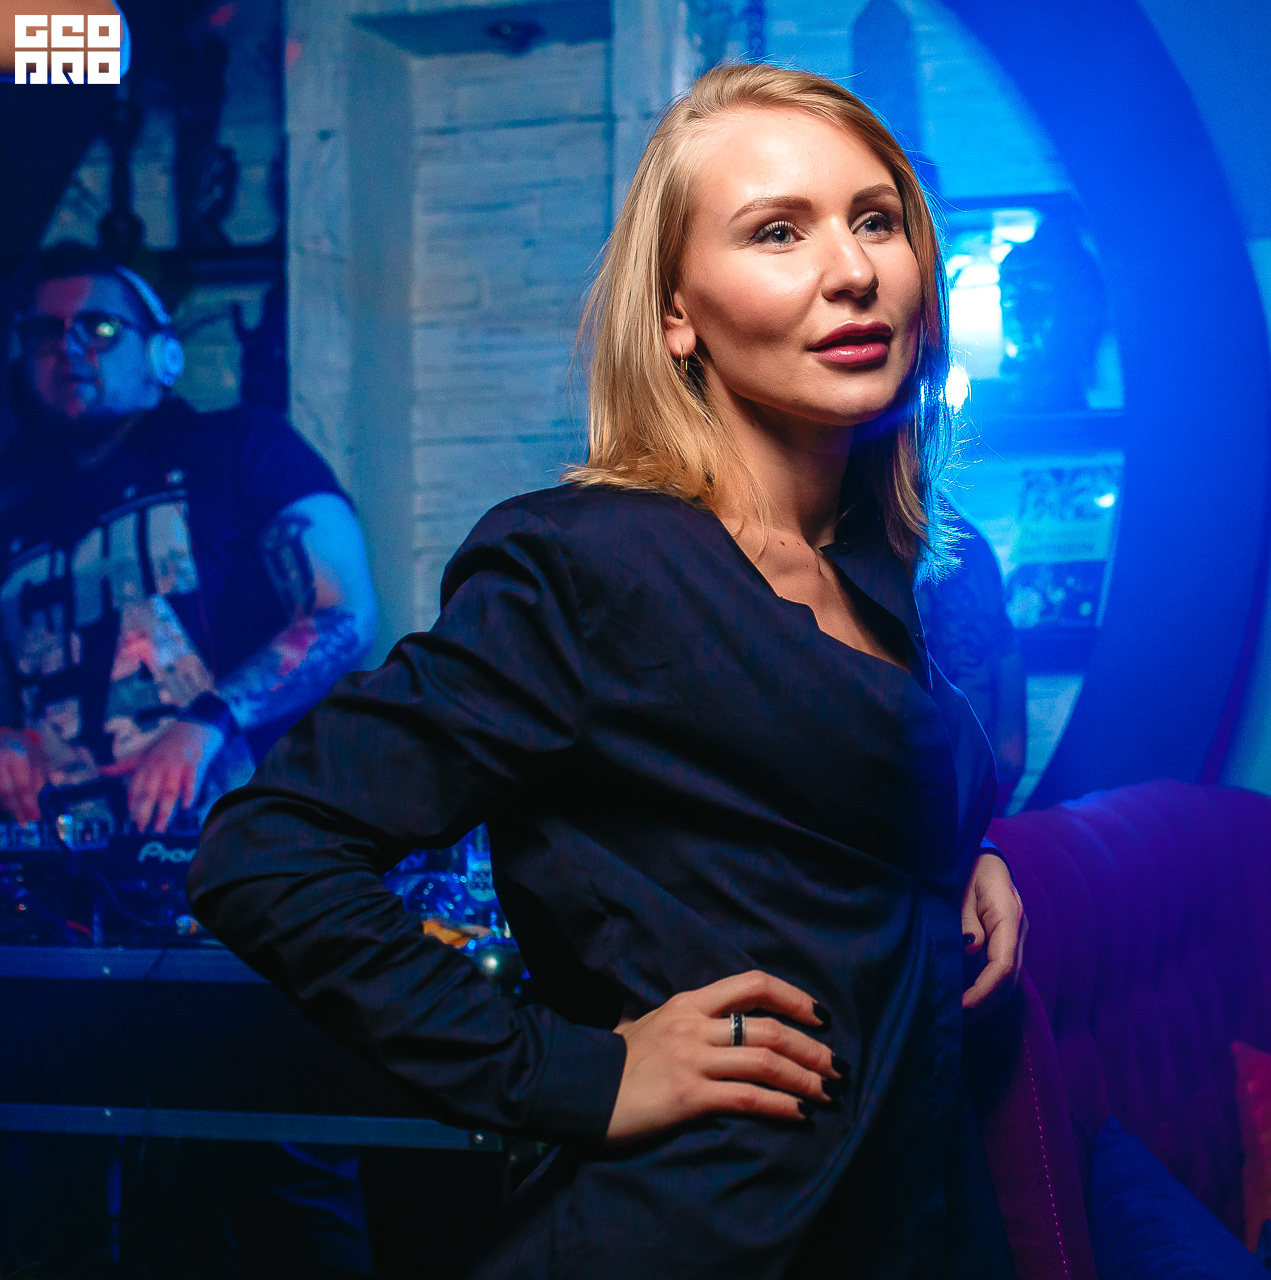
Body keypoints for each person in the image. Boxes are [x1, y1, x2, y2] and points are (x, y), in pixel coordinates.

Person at [188, 63, 1026, 1278]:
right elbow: (268, 853)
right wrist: (580, 1072)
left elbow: (793, 823)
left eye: (875, 219)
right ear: (678, 314)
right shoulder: (591, 565)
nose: (851, 270)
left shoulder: (883, 565)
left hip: (902, 1221)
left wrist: (950, 851)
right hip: (696, 1236)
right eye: (778, 231)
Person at [0, 242, 379, 835]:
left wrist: (209, 720)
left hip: (240, 843)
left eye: (100, 328)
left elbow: (344, 616)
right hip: (55, 863)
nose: (69, 348)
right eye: (46, 333)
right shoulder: (11, 501)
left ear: (162, 352)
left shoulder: (243, 447)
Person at [916, 504, 1025, 812]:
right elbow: (1010, 759)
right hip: (980, 796)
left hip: (914, 806)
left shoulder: (867, 535)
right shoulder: (970, 541)